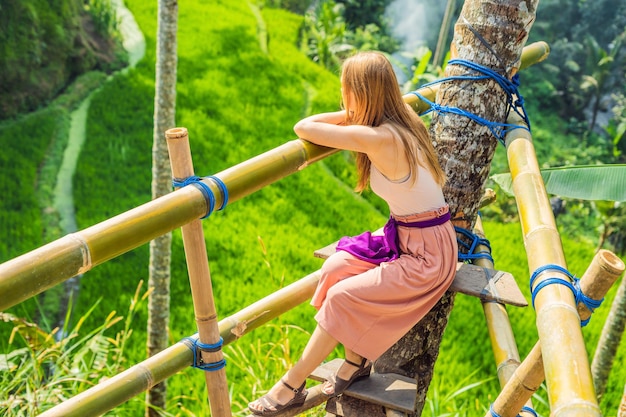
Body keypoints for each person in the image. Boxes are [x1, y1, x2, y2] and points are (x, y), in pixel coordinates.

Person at [248, 51, 458, 416]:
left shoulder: (382, 138)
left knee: (342, 297)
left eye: (345, 90)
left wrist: (351, 114)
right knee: (336, 268)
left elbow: (305, 126)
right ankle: (357, 361)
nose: (341, 96)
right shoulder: (401, 119)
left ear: (359, 93)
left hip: (429, 255)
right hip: (410, 235)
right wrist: (359, 111)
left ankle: (291, 384)